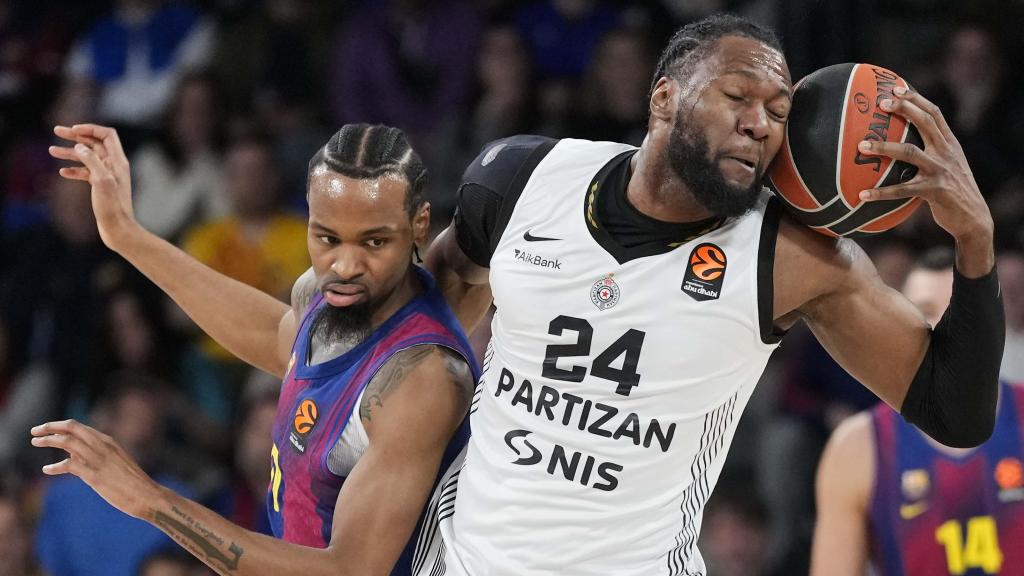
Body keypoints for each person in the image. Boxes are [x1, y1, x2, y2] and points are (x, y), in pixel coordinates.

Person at [419, 13, 1004, 575]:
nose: (760, 124)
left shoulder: (791, 258)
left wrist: (976, 239)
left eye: (778, 112)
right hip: (462, 559)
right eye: (738, 96)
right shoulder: (525, 178)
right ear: (664, 98)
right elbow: (426, 323)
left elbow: (956, 416)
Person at [34, 122, 478, 575]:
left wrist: (149, 501)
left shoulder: (420, 380)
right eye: (327, 237)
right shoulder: (326, 294)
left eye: (374, 241)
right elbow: (273, 336)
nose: (345, 265)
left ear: (419, 225)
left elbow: (349, 571)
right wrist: (126, 235)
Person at [810, 248, 1024, 575]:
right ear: (899, 325)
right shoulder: (857, 446)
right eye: (924, 312)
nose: (941, 327)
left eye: (957, 312)